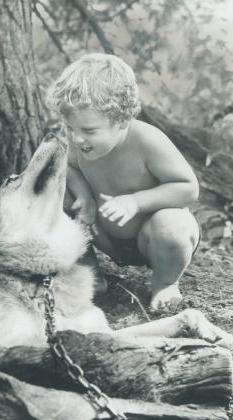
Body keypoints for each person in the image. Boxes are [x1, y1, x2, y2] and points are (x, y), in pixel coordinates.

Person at [47, 53, 200, 310]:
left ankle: (165, 283)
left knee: (171, 225)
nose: (77, 139)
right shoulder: (80, 144)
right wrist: (84, 196)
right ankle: (90, 278)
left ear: (121, 120)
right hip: (106, 237)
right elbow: (69, 169)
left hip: (151, 239)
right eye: (70, 129)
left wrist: (135, 201)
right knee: (58, 193)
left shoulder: (147, 141)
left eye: (88, 130)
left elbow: (188, 189)